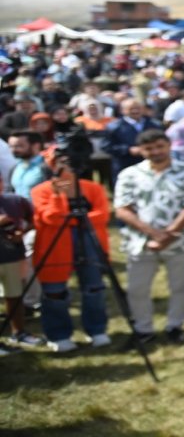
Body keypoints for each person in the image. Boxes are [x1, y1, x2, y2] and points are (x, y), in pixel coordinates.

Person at [113, 129, 184, 345]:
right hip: (140, 241)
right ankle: (143, 328)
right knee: (137, 288)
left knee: (179, 286)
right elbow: (122, 209)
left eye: (159, 147)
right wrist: (154, 233)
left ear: (169, 146)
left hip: (181, 240)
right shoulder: (129, 174)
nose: (155, 152)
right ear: (141, 150)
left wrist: (170, 234)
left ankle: (175, 326)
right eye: (149, 149)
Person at [30, 150, 113, 352]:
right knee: (54, 291)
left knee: (94, 287)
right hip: (56, 245)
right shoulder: (41, 191)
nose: (66, 167)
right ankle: (58, 335)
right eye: (60, 162)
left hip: (90, 242)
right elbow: (52, 218)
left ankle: (96, 329)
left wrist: (71, 220)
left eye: (69, 162)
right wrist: (58, 196)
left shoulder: (93, 188)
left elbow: (103, 215)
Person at [0, 173, 41, 349]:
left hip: (13, 257)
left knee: (15, 296)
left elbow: (34, 219)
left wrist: (21, 233)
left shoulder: (16, 201)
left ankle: (19, 332)